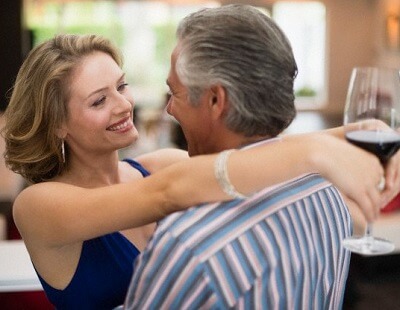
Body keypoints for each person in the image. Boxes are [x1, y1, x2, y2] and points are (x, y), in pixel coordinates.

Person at [0, 34, 392, 309]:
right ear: (56, 124)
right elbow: (167, 193)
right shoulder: (37, 205)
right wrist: (316, 150)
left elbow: (251, 157)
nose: (124, 105)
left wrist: (351, 134)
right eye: (100, 100)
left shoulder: (159, 166)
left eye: (122, 86)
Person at [124, 5, 400, 309]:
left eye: (174, 93)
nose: (169, 109)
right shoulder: (329, 192)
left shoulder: (189, 244)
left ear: (216, 100)